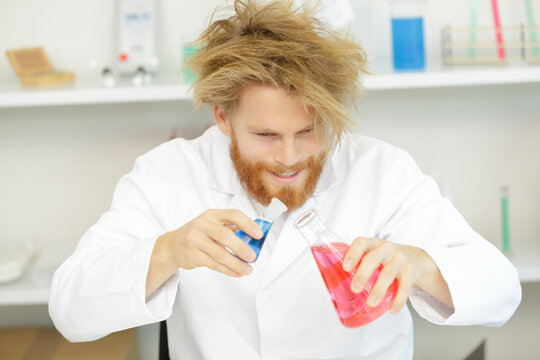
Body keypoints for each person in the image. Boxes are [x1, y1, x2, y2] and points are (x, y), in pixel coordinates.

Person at [49, 1, 521, 359]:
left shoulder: (382, 171)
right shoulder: (168, 174)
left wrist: (418, 265)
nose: (290, 158)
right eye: (266, 135)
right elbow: (69, 309)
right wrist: (168, 250)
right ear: (222, 117)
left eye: (308, 131)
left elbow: (502, 289)